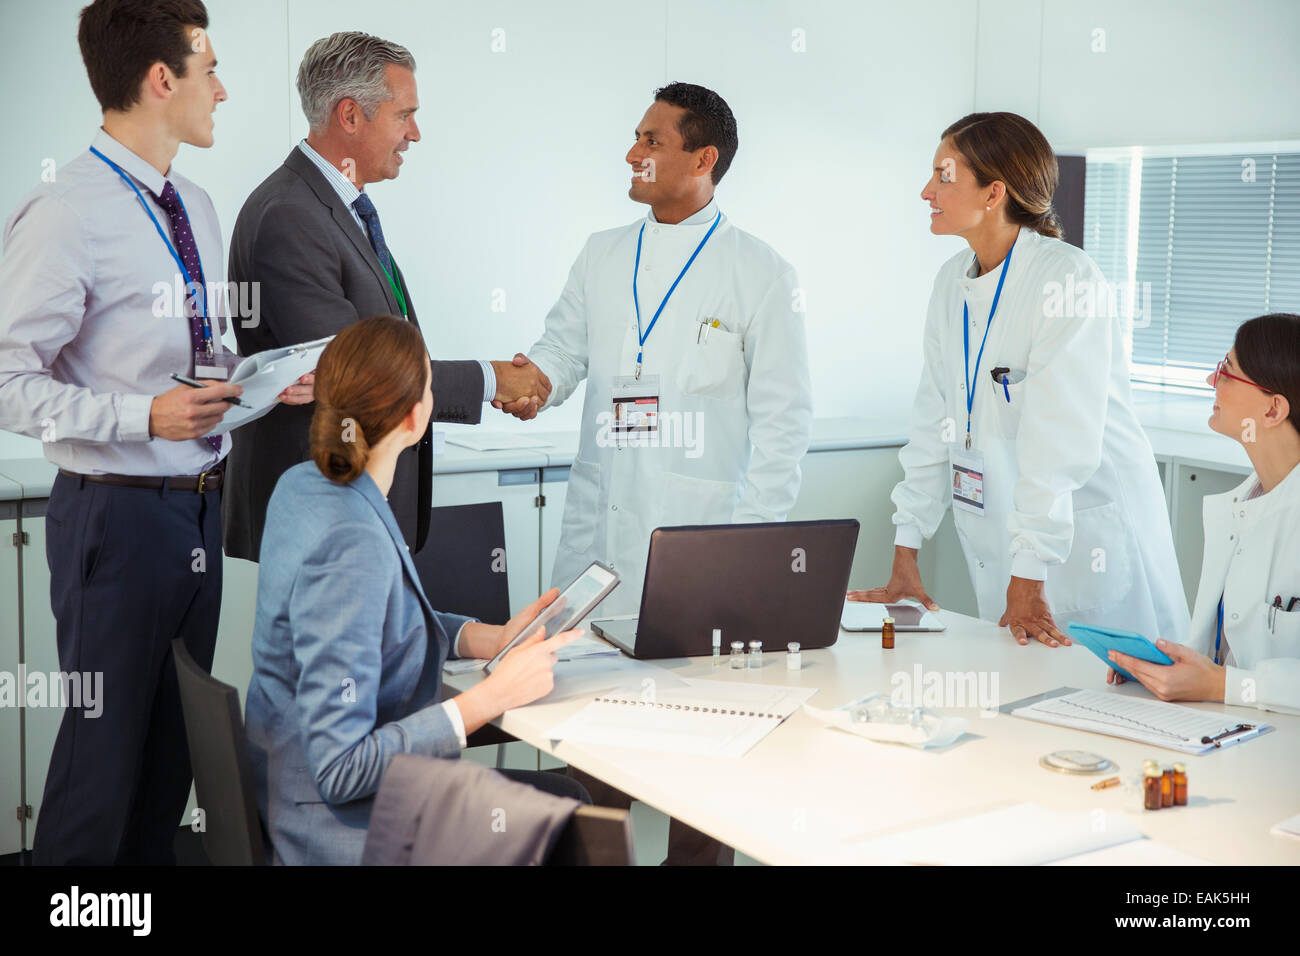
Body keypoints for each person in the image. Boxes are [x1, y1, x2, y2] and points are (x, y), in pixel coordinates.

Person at [0, 0, 305, 864]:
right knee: (101, 770)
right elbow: (7, 383)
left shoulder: (194, 205)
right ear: (161, 79)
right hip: (116, 521)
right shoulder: (66, 211)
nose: (224, 91)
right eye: (211, 72)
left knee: (175, 761)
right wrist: (144, 417)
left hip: (198, 512)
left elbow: (198, 359)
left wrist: (263, 387)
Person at [245, 315, 589, 865]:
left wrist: (493, 637)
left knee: (566, 801)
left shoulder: (306, 485)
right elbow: (342, 769)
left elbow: (385, 616)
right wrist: (491, 697)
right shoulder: (349, 539)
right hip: (343, 832)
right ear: (414, 416)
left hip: (292, 791)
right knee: (571, 816)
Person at [852, 112, 1188, 649]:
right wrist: (906, 550)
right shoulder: (951, 284)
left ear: (994, 193)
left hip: (1084, 542)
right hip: (1014, 547)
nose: (925, 191)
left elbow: (1058, 442)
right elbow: (932, 421)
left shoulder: (1066, 279)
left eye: (943, 176)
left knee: (1115, 703)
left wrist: (1030, 570)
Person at [223, 31, 553, 560]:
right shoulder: (289, 214)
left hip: (351, 507)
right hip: (324, 512)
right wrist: (491, 379)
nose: (415, 133)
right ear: (350, 116)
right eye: (404, 115)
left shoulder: (336, 207)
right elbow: (355, 372)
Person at [518, 81, 813, 620]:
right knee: (582, 684)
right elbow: (562, 351)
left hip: (697, 531)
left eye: (651, 141)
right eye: (636, 138)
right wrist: (527, 382)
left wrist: (750, 545)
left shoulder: (762, 274)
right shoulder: (601, 253)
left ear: (704, 159)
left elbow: (784, 427)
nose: (632, 154)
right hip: (597, 527)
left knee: (683, 685)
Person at [1108, 314, 1300, 715]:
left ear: (1272, 411)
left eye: (1226, 373)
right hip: (1228, 729)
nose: (1210, 382)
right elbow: (1220, 654)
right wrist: (1167, 669)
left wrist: (1222, 685)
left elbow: (1230, 680)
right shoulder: (1240, 508)